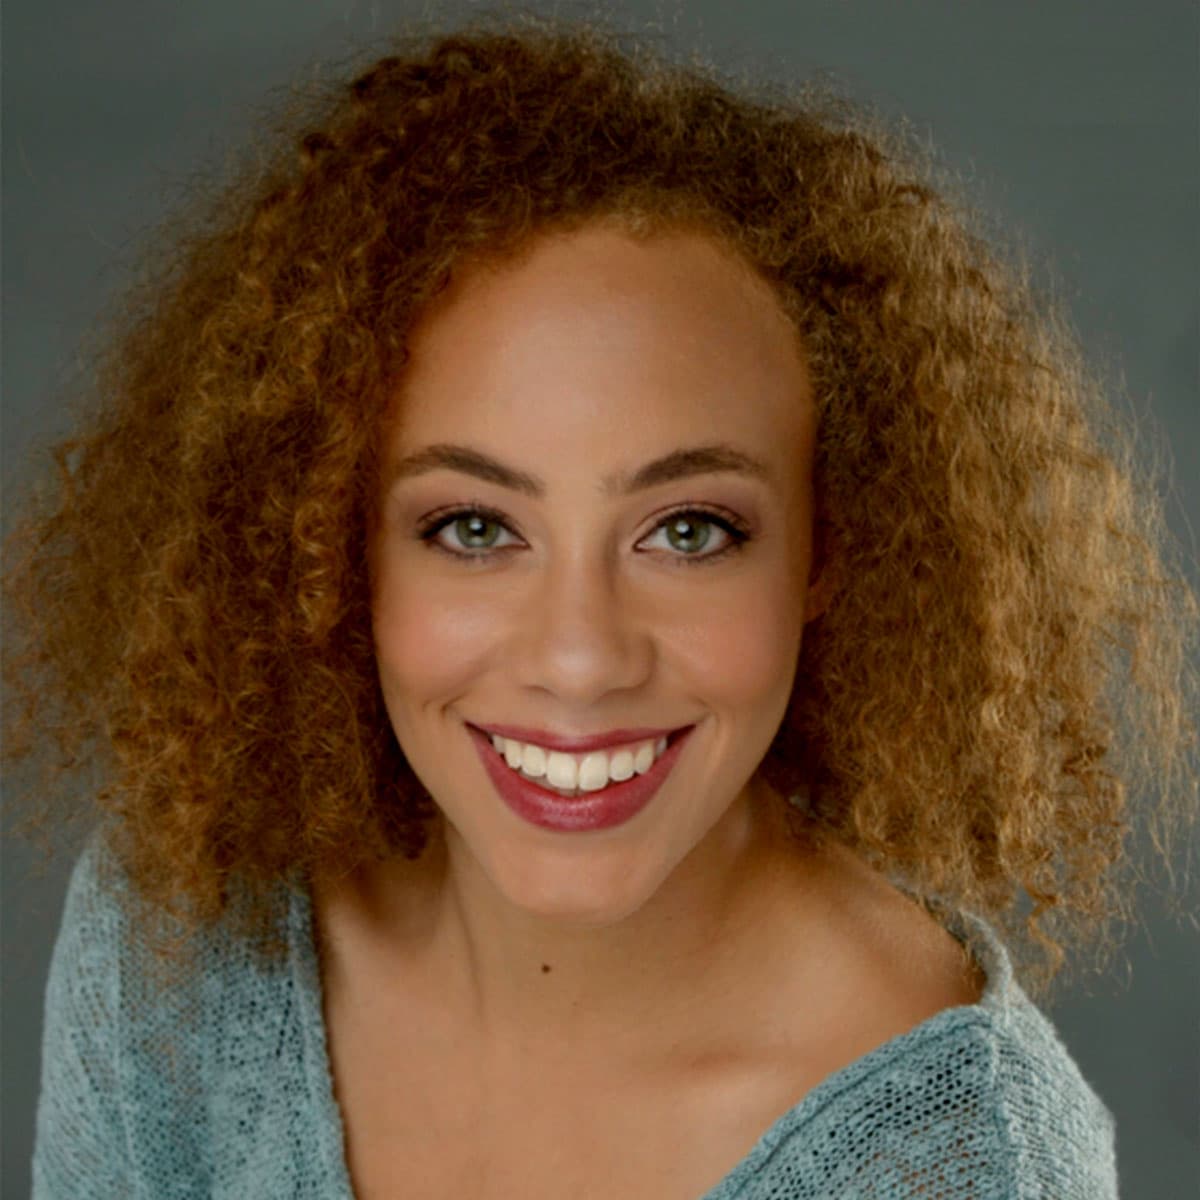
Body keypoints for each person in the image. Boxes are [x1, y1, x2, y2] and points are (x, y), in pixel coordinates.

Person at [5, 14, 1195, 1199]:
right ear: (330, 549)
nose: (579, 660)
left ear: (830, 550)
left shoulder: (968, 1165)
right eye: (475, 529)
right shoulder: (183, 947)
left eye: (689, 531)